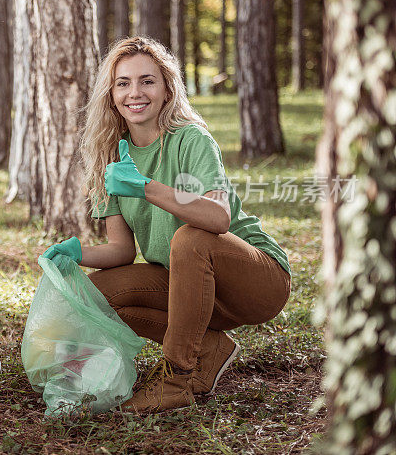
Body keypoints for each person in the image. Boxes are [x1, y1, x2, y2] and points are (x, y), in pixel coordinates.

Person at [41, 37, 291, 413]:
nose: (134, 92)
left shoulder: (191, 139)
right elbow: (122, 251)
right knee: (99, 296)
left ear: (166, 89)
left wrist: (146, 188)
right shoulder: (109, 157)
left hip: (257, 282)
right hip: (189, 285)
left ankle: (176, 378)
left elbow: (217, 218)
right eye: (123, 83)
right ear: (110, 95)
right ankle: (210, 348)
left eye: (147, 81)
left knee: (191, 238)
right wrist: (77, 253)